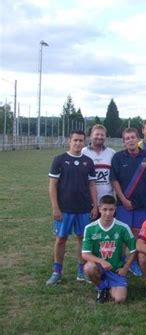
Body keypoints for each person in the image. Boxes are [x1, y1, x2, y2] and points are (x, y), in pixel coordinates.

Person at [46, 130, 98, 285]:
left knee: (82, 240)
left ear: (84, 142)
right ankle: (57, 272)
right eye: (75, 140)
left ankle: (81, 271)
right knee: (61, 239)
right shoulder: (59, 160)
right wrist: (55, 207)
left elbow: (92, 185)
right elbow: (52, 185)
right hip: (65, 209)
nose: (78, 143)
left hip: (84, 209)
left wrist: (95, 205)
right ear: (69, 140)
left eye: (81, 140)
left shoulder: (88, 162)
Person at [111, 128, 146, 276]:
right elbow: (114, 180)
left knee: (138, 234)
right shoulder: (117, 157)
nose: (130, 140)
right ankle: (121, 261)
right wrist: (123, 200)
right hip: (123, 204)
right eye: (127, 138)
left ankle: (135, 262)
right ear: (124, 141)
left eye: (132, 137)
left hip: (142, 204)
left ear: (138, 139)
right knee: (123, 234)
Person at [81, 195, 136, 303]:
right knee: (89, 268)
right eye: (105, 209)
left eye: (111, 209)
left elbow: (134, 250)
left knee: (120, 299)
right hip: (99, 267)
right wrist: (101, 261)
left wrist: (125, 268)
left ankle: (110, 285)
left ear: (115, 209)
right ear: (99, 208)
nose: (108, 213)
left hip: (116, 269)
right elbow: (85, 254)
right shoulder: (90, 228)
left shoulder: (123, 227)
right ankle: (101, 287)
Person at [82, 124, 115, 203]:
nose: (99, 137)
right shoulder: (83, 152)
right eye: (96, 134)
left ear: (105, 137)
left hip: (107, 201)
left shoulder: (112, 153)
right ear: (91, 136)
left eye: (102, 135)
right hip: (87, 200)